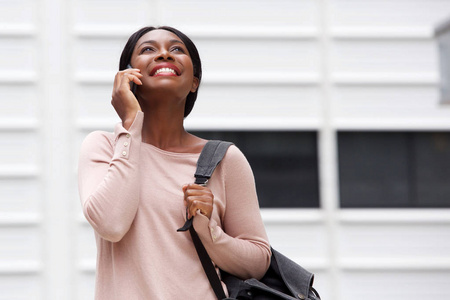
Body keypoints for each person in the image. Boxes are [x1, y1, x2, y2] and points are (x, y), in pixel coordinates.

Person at [78, 26, 271, 299]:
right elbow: (111, 224)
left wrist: (208, 230)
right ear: (127, 78)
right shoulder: (104, 148)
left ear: (194, 81)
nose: (164, 54)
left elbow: (258, 262)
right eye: (148, 49)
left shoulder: (225, 160)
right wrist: (130, 125)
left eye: (177, 49)